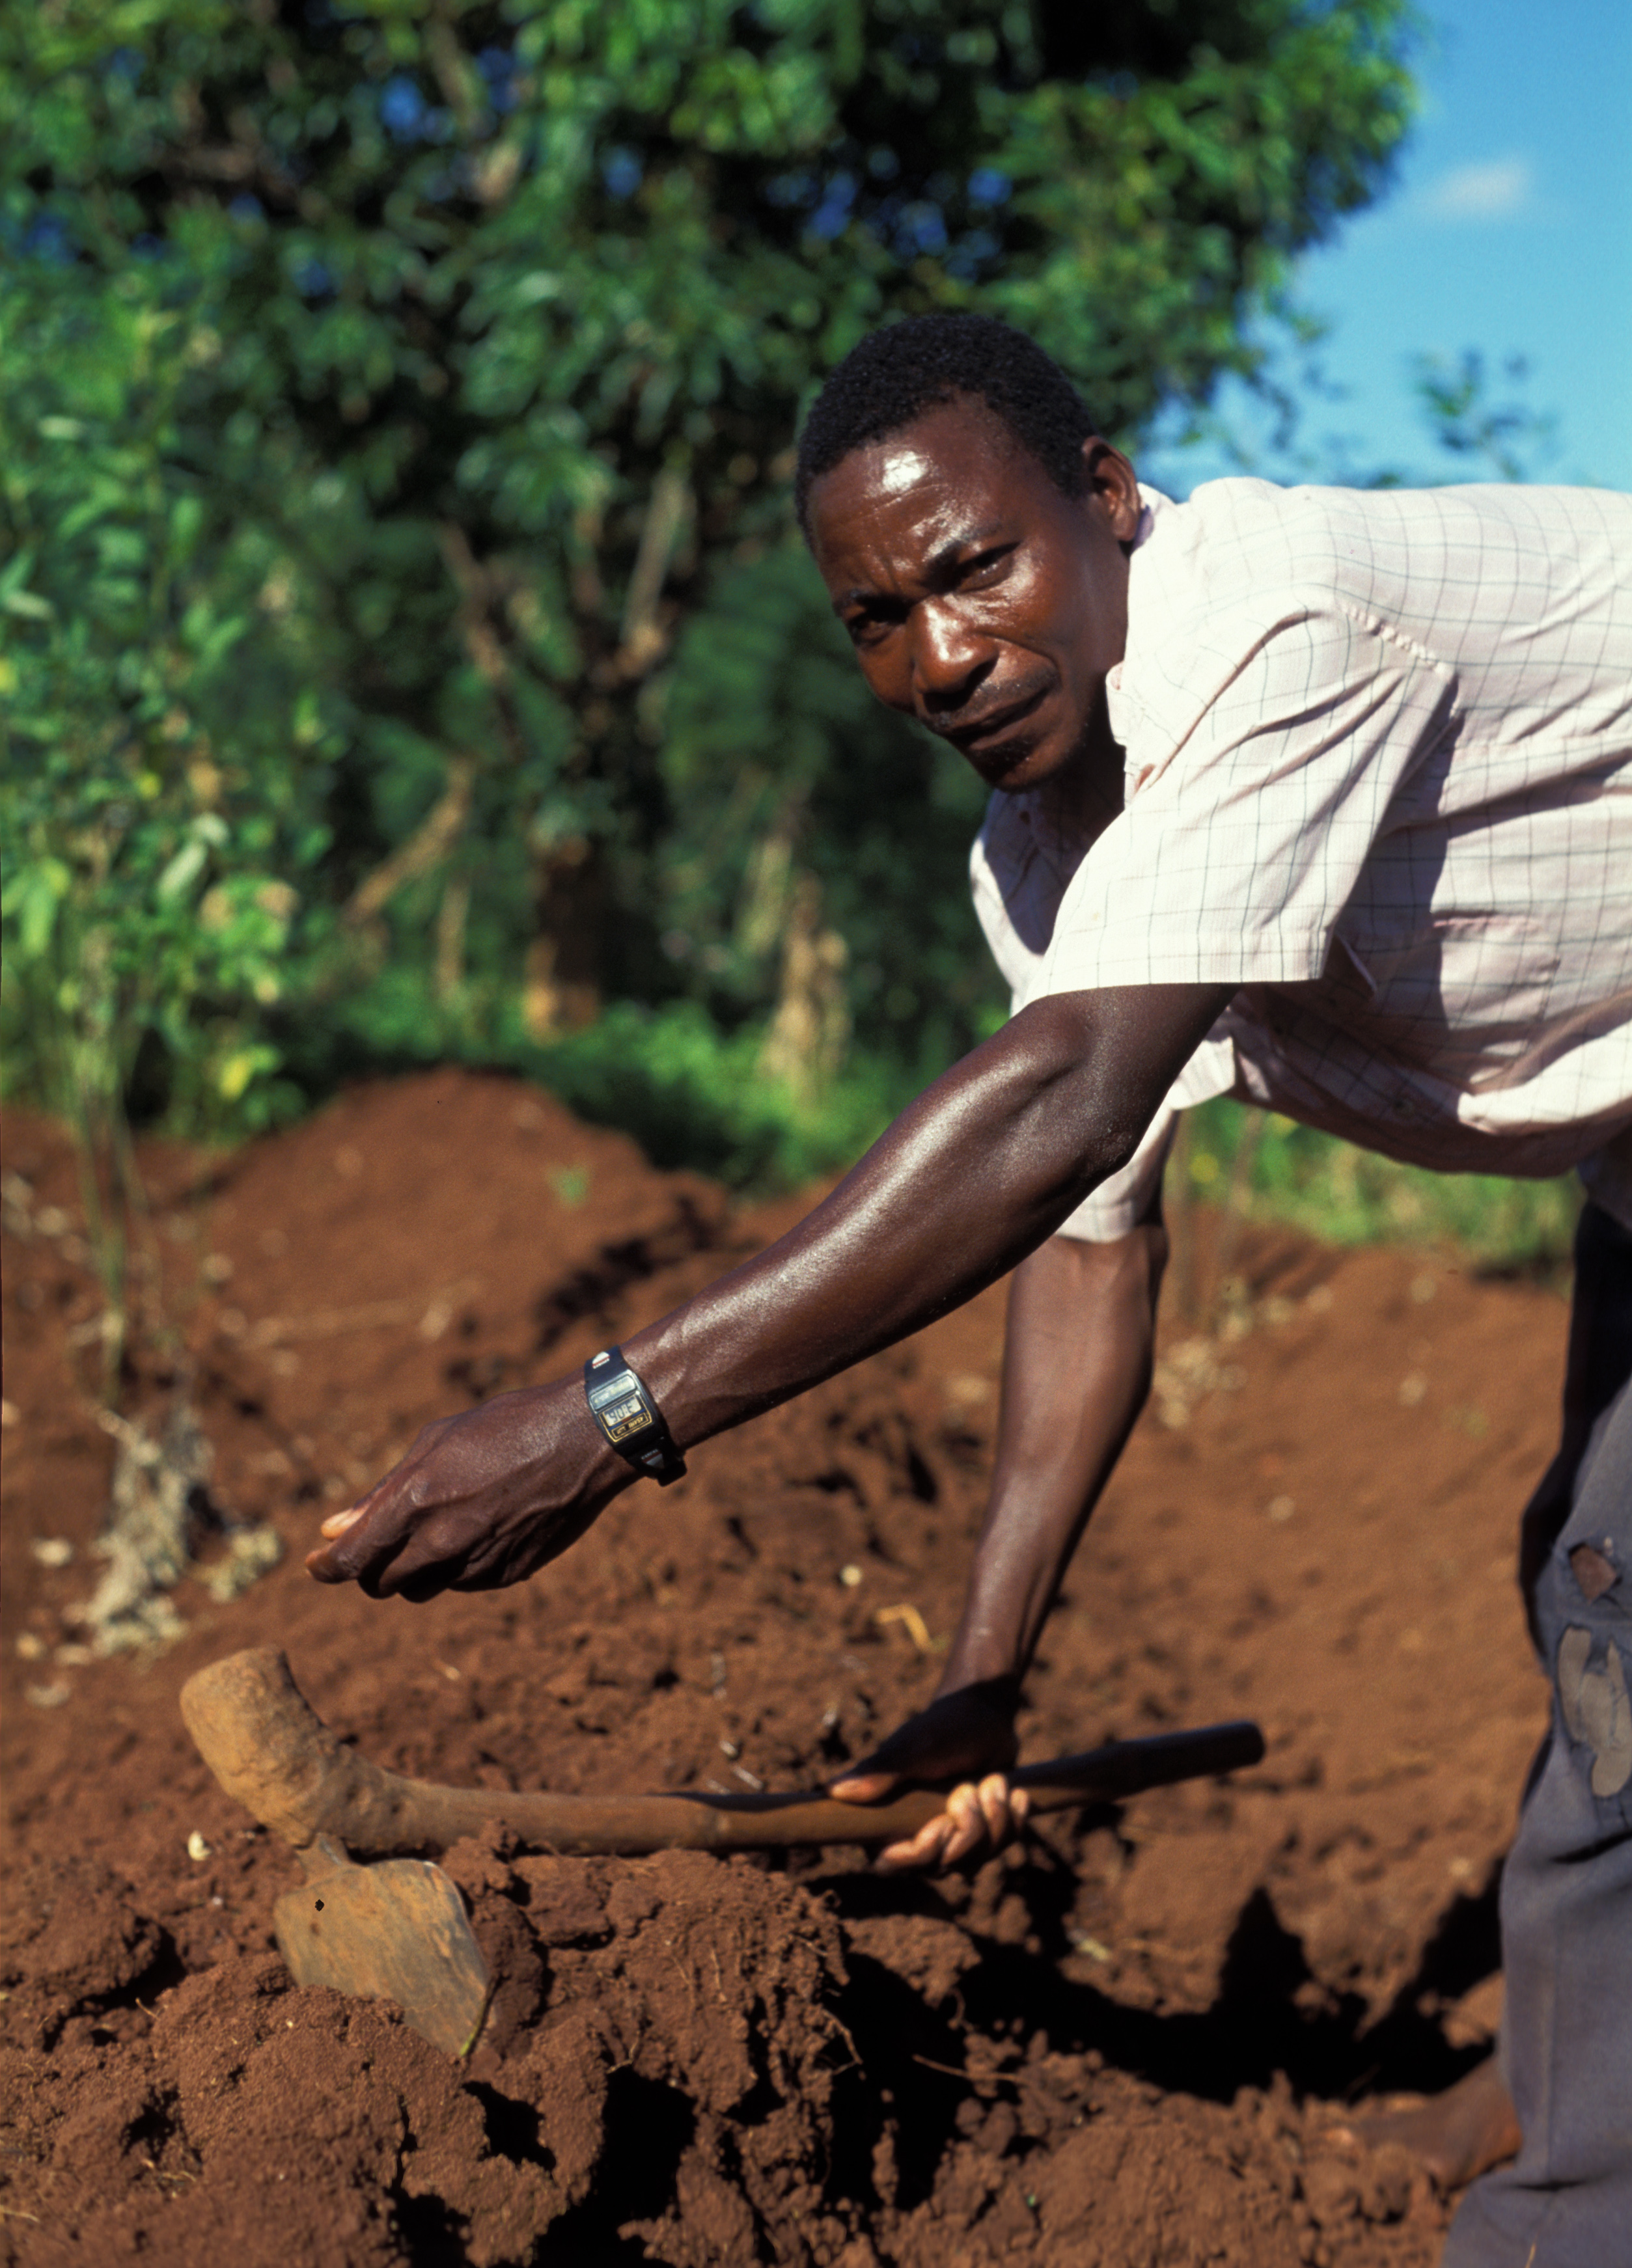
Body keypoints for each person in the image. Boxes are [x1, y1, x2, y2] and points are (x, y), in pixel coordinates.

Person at [309, 316, 1631, 2267]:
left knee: (1623, 1596)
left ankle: (1574, 2205)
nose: (937, 658)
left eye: (973, 570)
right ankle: (1576, 2077)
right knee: (1591, 1576)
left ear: (1107, 497)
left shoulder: (1277, 625)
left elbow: (1060, 1100)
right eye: (876, 620)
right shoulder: (1040, 852)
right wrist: (976, 1687)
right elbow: (1089, 1232)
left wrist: (601, 1420)